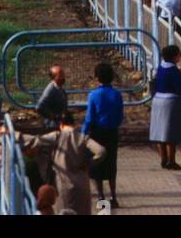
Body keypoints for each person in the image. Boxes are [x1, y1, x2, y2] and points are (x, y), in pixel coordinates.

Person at [40, 115, 104, 216]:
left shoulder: (57, 136)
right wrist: (89, 162)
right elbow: (101, 151)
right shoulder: (82, 137)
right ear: (73, 124)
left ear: (61, 125)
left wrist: (16, 136)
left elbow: (37, 140)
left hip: (63, 184)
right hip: (82, 185)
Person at [82, 63, 124, 207]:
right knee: (112, 164)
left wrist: (84, 133)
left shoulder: (93, 95)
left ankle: (101, 196)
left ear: (97, 78)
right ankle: (113, 196)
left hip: (97, 132)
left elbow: (89, 118)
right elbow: (120, 116)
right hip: (112, 133)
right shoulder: (117, 94)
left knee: (97, 166)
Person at [149, 44, 181, 169]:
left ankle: (163, 158)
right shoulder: (173, 70)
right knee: (171, 134)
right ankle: (171, 161)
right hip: (170, 103)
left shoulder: (160, 68)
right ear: (175, 57)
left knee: (160, 132)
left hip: (157, 101)